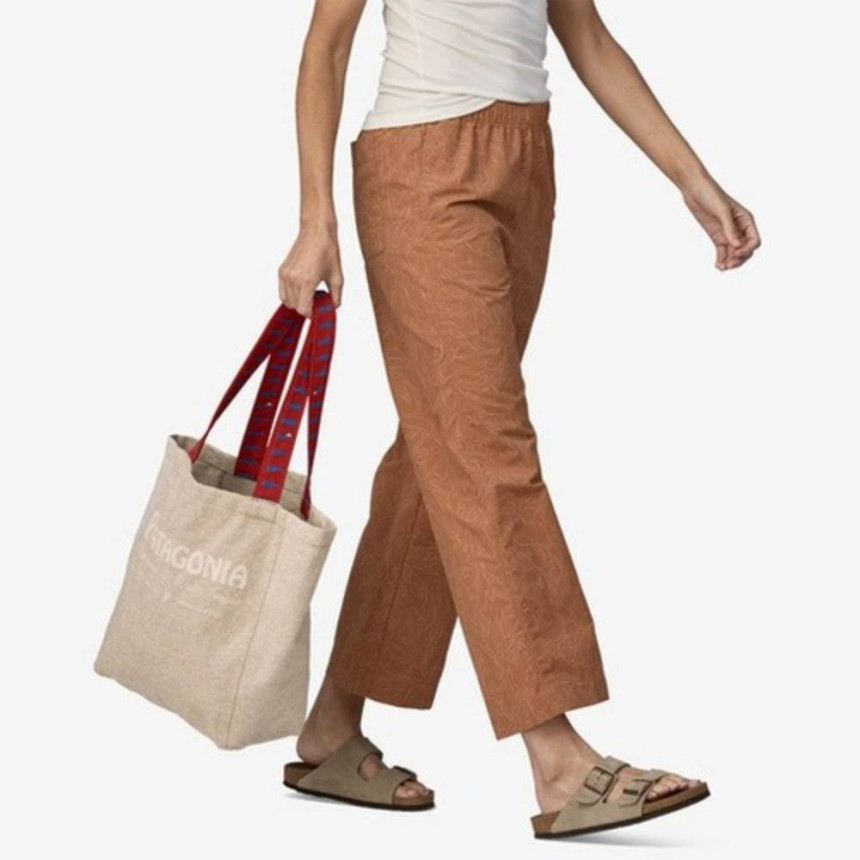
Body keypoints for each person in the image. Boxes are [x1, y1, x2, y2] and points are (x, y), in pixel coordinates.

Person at [277, 0, 760, 838]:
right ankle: (559, 760)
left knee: (440, 450)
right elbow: (327, 44)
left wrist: (692, 178)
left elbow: (588, 38)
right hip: (419, 166)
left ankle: (331, 729)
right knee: (485, 450)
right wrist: (315, 218)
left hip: (526, 164)